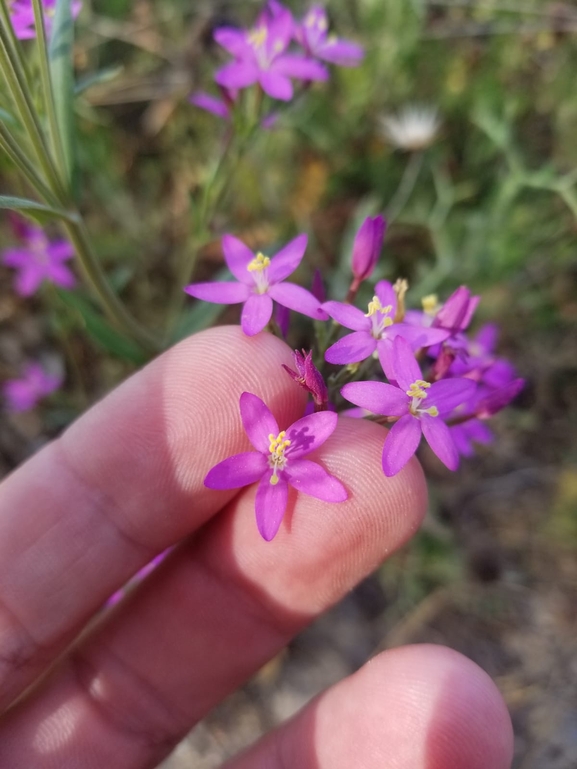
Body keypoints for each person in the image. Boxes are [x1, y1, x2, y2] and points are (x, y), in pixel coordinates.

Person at [0, 327, 513, 767]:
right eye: (277, 446)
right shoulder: (267, 449)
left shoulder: (401, 412)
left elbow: (326, 453)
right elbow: (260, 439)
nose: (279, 449)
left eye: (422, 398)